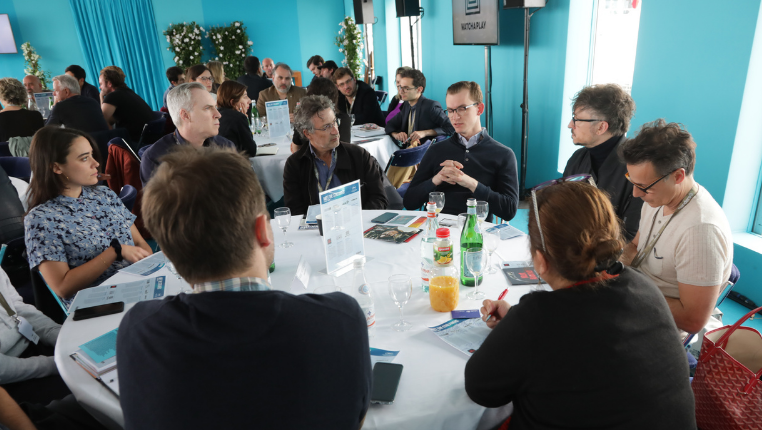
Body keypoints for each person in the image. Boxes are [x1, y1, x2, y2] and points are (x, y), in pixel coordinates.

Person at [118, 146, 372, 430]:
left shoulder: (140, 332)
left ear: (167, 252)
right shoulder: (340, 321)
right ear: (262, 230)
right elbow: (356, 418)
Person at [465, 181, 696, 430]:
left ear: (540, 260)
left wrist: (514, 327)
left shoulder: (536, 318)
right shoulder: (642, 285)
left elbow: (481, 390)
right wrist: (515, 322)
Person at [619, 120, 732, 335]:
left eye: (643, 186)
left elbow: (692, 320)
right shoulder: (658, 197)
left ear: (678, 176)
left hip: (661, 327)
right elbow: (635, 246)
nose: (636, 193)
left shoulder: (700, 231)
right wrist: (615, 268)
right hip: (635, 296)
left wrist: (628, 290)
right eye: (632, 182)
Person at [24, 127, 152, 309]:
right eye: (84, 158)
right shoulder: (41, 219)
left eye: (92, 155)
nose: (96, 163)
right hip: (98, 305)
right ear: (56, 167)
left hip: (137, 287)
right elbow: (62, 287)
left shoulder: (105, 195)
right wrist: (114, 252)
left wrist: (148, 271)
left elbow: (140, 243)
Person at [404, 81, 518, 221]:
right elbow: (409, 202)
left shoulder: (503, 154)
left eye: (462, 108)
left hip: (477, 230)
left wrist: (470, 183)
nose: (455, 117)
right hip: (440, 229)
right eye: (450, 110)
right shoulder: (436, 151)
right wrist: (436, 179)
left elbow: (509, 211)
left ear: (479, 109)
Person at [284, 95, 388, 215]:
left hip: (358, 223)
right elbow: (295, 211)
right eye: (327, 127)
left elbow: (379, 198)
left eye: (334, 122)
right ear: (307, 133)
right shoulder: (295, 164)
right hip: (316, 226)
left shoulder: (359, 155)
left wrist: (357, 219)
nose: (335, 131)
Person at [563, 84, 642, 240]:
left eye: (576, 119)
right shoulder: (577, 159)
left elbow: (630, 235)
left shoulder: (638, 167)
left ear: (601, 127)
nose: (570, 125)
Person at [140, 83, 234, 185]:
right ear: (185, 115)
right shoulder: (156, 159)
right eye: (207, 108)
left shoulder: (224, 146)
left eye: (215, 107)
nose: (218, 115)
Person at [0, 267, 67, 405]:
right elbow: (2, 370)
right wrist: (55, 364)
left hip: (32, 347)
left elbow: (16, 307)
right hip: (10, 382)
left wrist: (60, 335)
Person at [385, 68, 454, 146]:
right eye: (400, 87)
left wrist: (425, 132)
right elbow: (390, 124)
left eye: (406, 88)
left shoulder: (431, 106)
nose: (401, 91)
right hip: (407, 148)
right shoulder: (407, 104)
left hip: (424, 150)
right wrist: (396, 135)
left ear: (419, 89)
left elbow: (451, 127)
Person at [290, 77, 350, 154]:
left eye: (334, 123)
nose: (334, 131)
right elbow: (346, 149)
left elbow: (296, 148)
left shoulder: (303, 120)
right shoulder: (344, 119)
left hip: (309, 160)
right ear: (335, 96)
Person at [98, 66, 155, 142]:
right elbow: (111, 120)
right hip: (150, 137)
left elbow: (101, 121)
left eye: (101, 84)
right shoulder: (128, 92)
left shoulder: (113, 96)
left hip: (135, 140)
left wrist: (101, 97)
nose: (100, 87)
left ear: (109, 83)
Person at [217, 81, 257, 157]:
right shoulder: (238, 118)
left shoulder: (218, 114)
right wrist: (244, 119)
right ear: (233, 102)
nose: (249, 101)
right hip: (233, 161)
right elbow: (251, 150)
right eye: (245, 97)